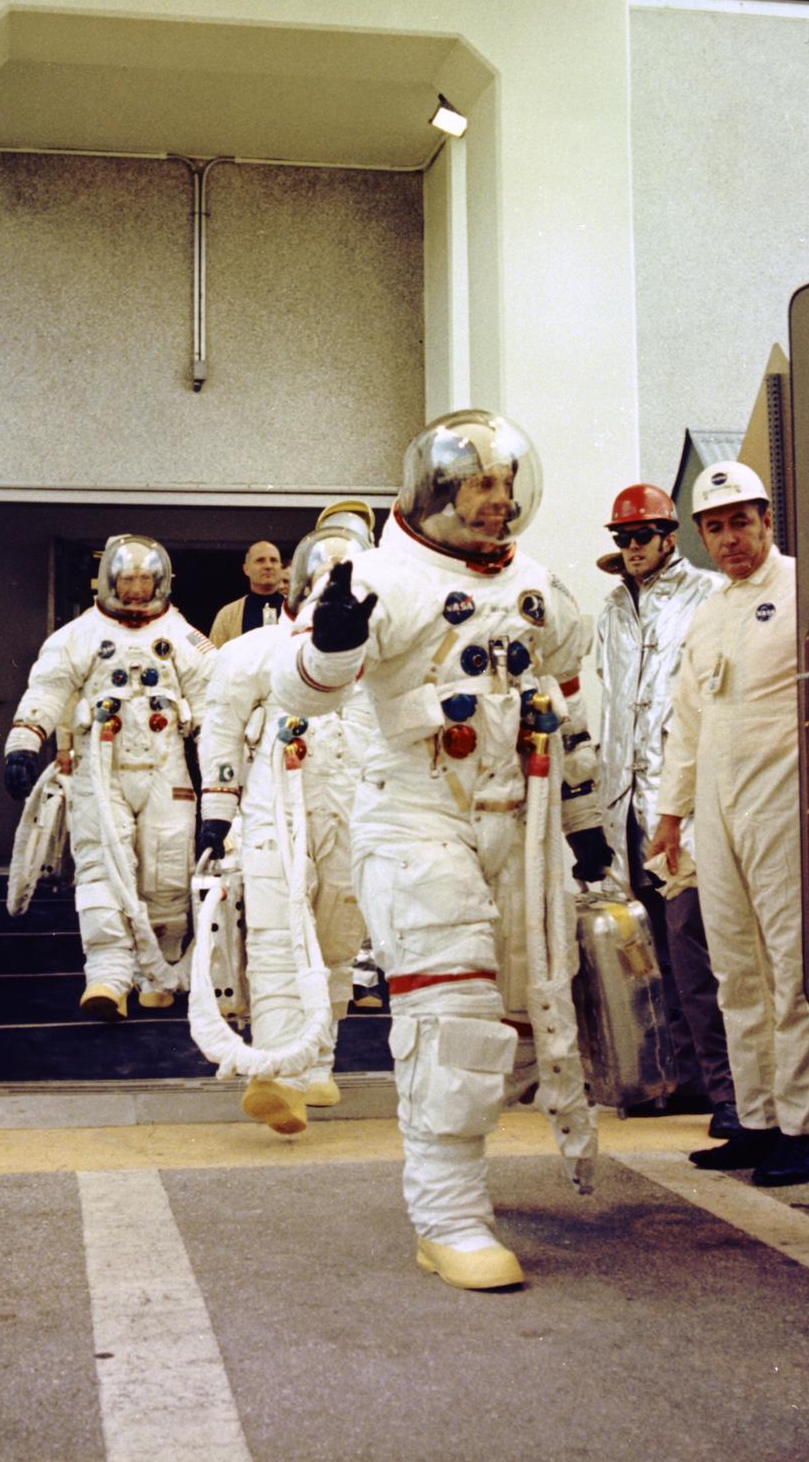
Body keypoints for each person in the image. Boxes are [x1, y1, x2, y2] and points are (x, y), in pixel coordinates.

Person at [269, 410, 609, 1291]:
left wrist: (586, 816)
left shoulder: (535, 580)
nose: (496, 502)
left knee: (528, 1010)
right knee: (451, 1015)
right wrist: (336, 642)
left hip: (519, 821)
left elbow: (564, 693)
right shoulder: (377, 577)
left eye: (505, 485)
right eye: (479, 485)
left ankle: (480, 1161)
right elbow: (300, 693)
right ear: (439, 491)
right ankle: (451, 1217)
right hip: (419, 818)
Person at [650, 463, 809, 1187]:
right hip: (718, 809)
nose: (732, 539)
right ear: (702, 537)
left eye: (742, 521)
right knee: (734, 967)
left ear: (767, 519)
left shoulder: (803, 589)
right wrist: (671, 816)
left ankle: (807, 1126)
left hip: (786, 800)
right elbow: (688, 723)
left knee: (792, 965)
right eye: (716, 527)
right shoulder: (711, 610)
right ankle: (756, 1121)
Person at [196, 527, 371, 1134]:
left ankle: (320, 1061)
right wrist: (217, 810)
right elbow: (219, 725)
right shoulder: (255, 650)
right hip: (275, 808)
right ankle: (276, 1075)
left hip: (354, 807)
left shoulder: (382, 655)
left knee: (336, 935)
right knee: (273, 934)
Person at [3, 536, 215, 1021]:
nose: (137, 590)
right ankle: (108, 975)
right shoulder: (77, 637)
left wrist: (224, 771)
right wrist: (23, 745)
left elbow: (213, 702)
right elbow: (48, 688)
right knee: (100, 865)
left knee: (165, 867)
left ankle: (159, 971)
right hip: (99, 770)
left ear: (159, 582)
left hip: (167, 768)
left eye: (145, 579)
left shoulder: (184, 638)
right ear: (110, 581)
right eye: (128, 579)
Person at [593, 483, 737, 1131]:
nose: (631, 549)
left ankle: (728, 1088)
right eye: (622, 538)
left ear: (669, 536)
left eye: (642, 536)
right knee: (645, 947)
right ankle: (676, 1078)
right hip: (623, 803)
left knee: (694, 944)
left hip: (682, 801)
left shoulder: (709, 597)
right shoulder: (610, 612)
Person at [209, 540, 287, 647]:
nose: (268, 566)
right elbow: (214, 658)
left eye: (274, 560)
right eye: (260, 560)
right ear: (246, 569)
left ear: (281, 568)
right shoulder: (227, 615)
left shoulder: (298, 610)